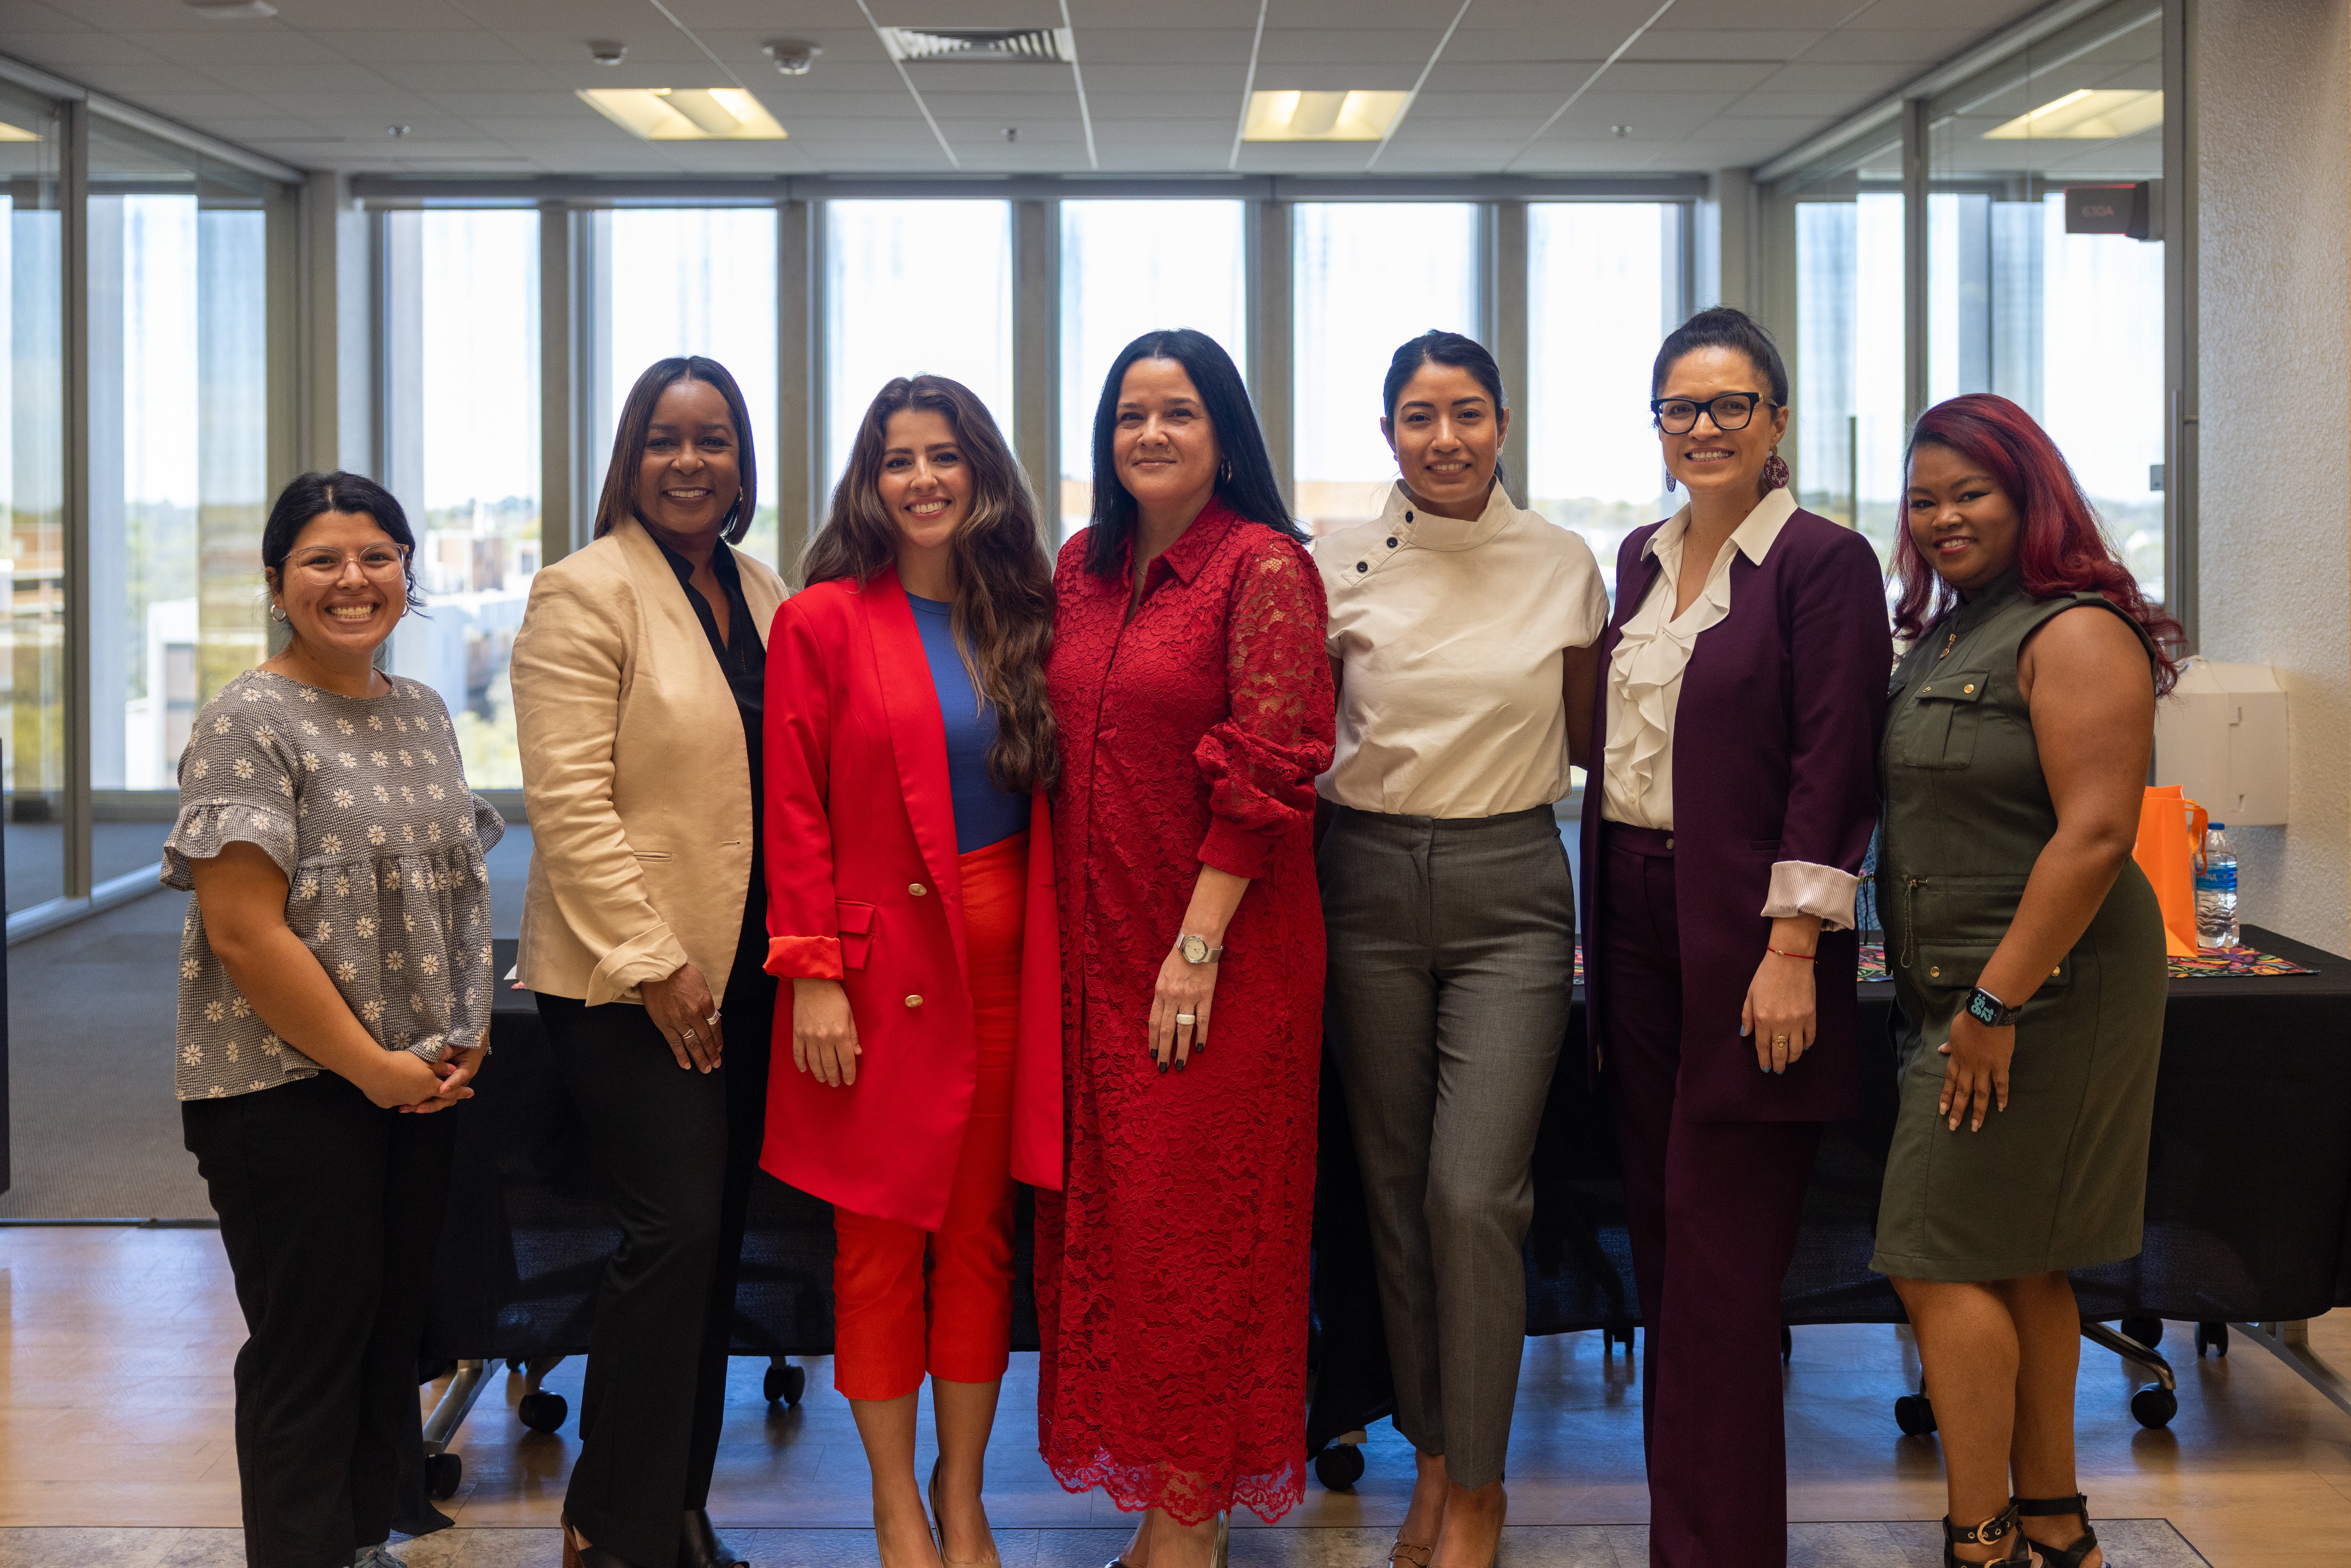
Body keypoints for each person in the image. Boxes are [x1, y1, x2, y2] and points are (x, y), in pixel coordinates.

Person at [1576, 306, 1891, 1568]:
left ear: (1774, 422)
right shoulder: (1639, 558)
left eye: (1728, 405)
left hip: (1746, 938)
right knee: (1664, 1249)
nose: (1701, 428)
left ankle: (1716, 1551)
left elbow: (1831, 763)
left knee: (1717, 1269)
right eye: (1678, 408)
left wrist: (1790, 945)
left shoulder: (1822, 562)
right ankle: (1685, 1537)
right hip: (1637, 931)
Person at [1036, 328, 1334, 1566]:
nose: (1147, 435)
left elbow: (1272, 766)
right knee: (1124, 1238)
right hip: (1092, 955)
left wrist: (1195, 947)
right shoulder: (1080, 569)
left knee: (1209, 1235)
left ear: (1224, 436)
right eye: (1126, 415)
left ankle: (1189, 1527)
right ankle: (1163, 1505)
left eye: (1176, 412)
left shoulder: (1263, 569)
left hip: (1219, 957)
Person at [170, 470, 501, 1568]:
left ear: (408, 572)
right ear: (277, 585)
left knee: (384, 1348)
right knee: (308, 1359)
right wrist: (371, 1067)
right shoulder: (248, 719)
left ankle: (363, 1546)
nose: (352, 581)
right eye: (322, 560)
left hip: (416, 1086)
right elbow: (244, 934)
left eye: (376, 556)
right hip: (285, 1089)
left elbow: (454, 889)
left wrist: (467, 1033)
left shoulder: (421, 710)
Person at [1316, 330, 1608, 1568]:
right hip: (1362, 880)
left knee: (1469, 1192)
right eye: (1420, 417)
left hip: (1509, 886)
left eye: (1468, 414)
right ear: (1388, 432)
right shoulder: (1333, 561)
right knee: (1389, 1192)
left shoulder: (1563, 564)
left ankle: (1480, 1492)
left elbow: (1605, 742)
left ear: (1502, 425)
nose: (1445, 439)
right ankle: (1428, 1463)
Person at [761, 374, 1062, 1568]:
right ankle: (894, 1501)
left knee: (982, 1239)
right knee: (877, 1244)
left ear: (983, 472)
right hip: (877, 979)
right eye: (899, 460)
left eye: (945, 455)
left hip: (1011, 970)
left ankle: (965, 1489)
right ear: (869, 483)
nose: (923, 478)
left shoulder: (1030, 613)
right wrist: (815, 973)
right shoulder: (822, 620)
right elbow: (793, 807)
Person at [1875, 394, 2179, 1568]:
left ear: (2028, 493)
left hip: (2039, 992)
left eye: (1969, 493)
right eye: (1923, 498)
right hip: (1961, 987)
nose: (1942, 516)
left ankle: (1976, 1533)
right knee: (2019, 1258)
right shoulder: (1953, 632)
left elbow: (2096, 833)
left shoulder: (2074, 627)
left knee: (1928, 1251)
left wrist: (1992, 1005)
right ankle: (2053, 1526)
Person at [510, 356, 787, 1568]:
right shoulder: (583, 591)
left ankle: (674, 1511)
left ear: (741, 461)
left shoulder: (763, 589)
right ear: (630, 456)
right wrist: (653, 961)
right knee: (669, 1235)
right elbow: (568, 802)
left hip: (751, 967)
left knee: (711, 1247)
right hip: (631, 983)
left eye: (714, 439)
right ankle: (607, 1529)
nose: (691, 461)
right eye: (666, 439)